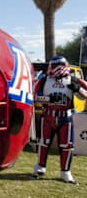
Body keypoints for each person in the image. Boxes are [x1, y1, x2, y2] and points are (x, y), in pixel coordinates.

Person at [32, 55, 87, 185]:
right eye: (55, 66)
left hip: (65, 117)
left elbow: (84, 96)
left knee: (67, 145)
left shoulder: (72, 80)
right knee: (43, 142)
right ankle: (40, 167)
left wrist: (77, 89)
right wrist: (50, 99)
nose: (58, 69)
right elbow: (34, 96)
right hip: (48, 116)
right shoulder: (44, 80)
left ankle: (65, 171)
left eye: (60, 66)